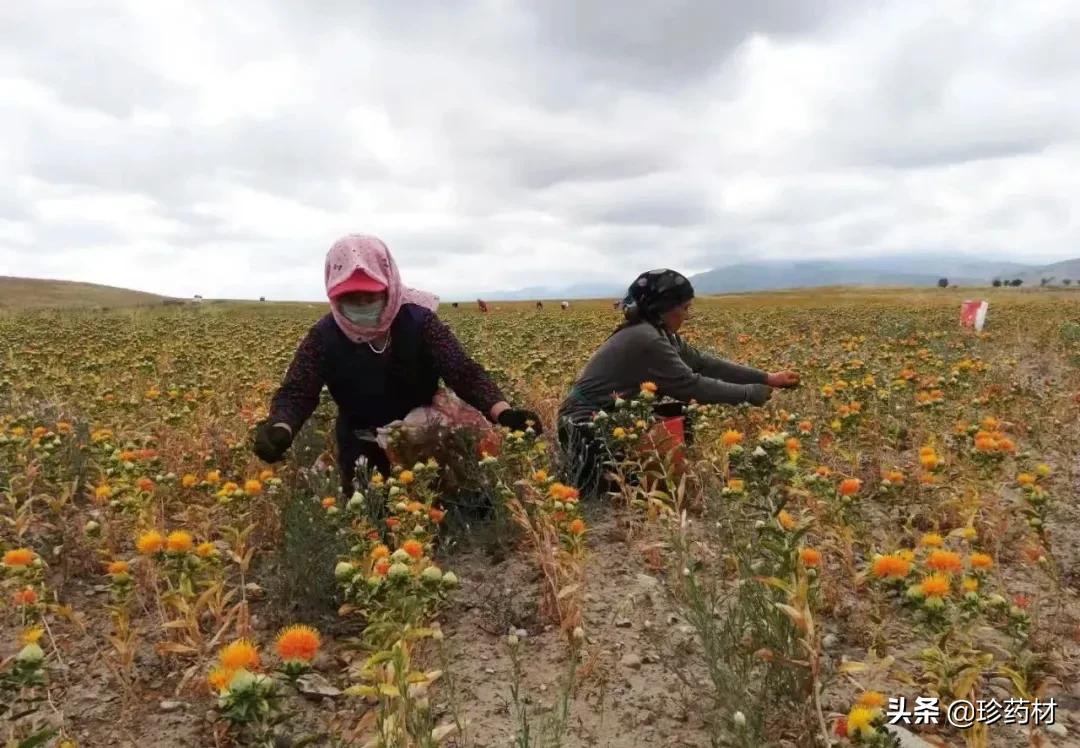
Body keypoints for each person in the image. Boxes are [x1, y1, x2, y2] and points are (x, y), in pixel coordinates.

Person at [253, 235, 542, 493]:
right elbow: (298, 391)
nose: (363, 304)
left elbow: (462, 371)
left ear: (389, 287)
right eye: (352, 298)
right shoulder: (324, 336)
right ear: (334, 295)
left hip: (427, 430)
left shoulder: (420, 322)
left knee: (458, 495)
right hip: (361, 435)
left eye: (371, 295)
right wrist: (281, 428)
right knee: (371, 507)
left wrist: (503, 412)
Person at [557, 268, 799, 495]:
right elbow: (691, 386)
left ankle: (661, 475)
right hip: (585, 423)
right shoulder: (647, 338)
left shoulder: (659, 332)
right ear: (664, 308)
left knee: (680, 417)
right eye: (685, 308)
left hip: (609, 415)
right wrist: (749, 393)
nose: (687, 315)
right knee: (637, 484)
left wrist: (767, 378)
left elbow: (703, 363)